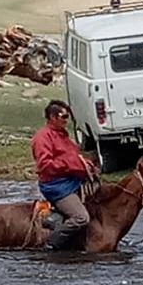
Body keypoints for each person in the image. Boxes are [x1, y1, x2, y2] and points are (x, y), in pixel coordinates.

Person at [30, 100, 98, 250]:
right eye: (64, 116)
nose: (66, 120)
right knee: (81, 218)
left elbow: (74, 157)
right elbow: (45, 165)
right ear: (53, 117)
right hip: (57, 186)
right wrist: (73, 167)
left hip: (71, 180)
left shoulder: (62, 135)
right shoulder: (43, 137)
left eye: (68, 117)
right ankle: (51, 243)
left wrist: (86, 165)